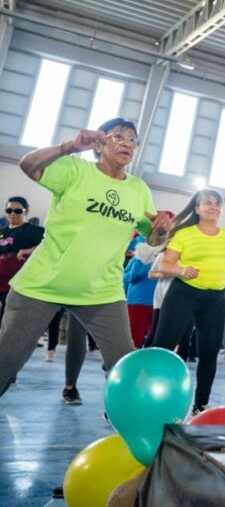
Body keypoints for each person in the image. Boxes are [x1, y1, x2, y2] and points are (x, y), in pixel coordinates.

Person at [0, 120, 172, 398]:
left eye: (133, 140)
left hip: (101, 292)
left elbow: (151, 238)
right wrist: (68, 147)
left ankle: (126, 417)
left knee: (124, 366)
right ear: (100, 143)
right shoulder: (75, 169)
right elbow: (27, 165)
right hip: (41, 284)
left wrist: (162, 231)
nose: (127, 143)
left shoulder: (139, 189)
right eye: (119, 137)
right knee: (6, 361)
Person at [152, 189, 225, 415]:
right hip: (183, 294)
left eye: (217, 203)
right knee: (162, 348)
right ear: (197, 209)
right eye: (207, 203)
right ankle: (146, 395)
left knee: (209, 353)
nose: (213, 206)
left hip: (214, 299)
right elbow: (164, 265)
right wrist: (182, 270)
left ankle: (200, 405)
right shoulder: (185, 234)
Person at [0, 196, 45, 329]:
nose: (13, 214)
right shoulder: (2, 232)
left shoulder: (34, 231)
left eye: (18, 211)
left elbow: (50, 246)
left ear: (26, 211)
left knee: (9, 320)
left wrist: (28, 250)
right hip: (1, 282)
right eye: (9, 210)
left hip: (18, 285)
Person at [122, 242, 161, 347]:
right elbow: (129, 278)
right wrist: (140, 260)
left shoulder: (164, 258)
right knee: (135, 338)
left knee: (155, 339)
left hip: (157, 303)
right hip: (137, 302)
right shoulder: (137, 260)